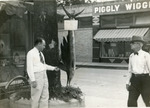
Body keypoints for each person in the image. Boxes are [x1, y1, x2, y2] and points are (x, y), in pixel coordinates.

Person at [26, 37, 59, 108]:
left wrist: (53, 68)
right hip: (37, 76)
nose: (44, 47)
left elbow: (43, 65)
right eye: (43, 45)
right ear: (39, 44)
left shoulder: (41, 54)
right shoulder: (31, 53)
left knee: (45, 96)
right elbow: (29, 68)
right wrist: (33, 80)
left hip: (44, 75)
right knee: (36, 97)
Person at [126, 35, 150, 107]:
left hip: (145, 80)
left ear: (139, 44)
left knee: (147, 101)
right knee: (131, 102)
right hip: (134, 80)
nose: (131, 44)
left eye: (133, 43)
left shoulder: (146, 55)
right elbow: (130, 70)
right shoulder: (131, 56)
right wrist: (127, 82)